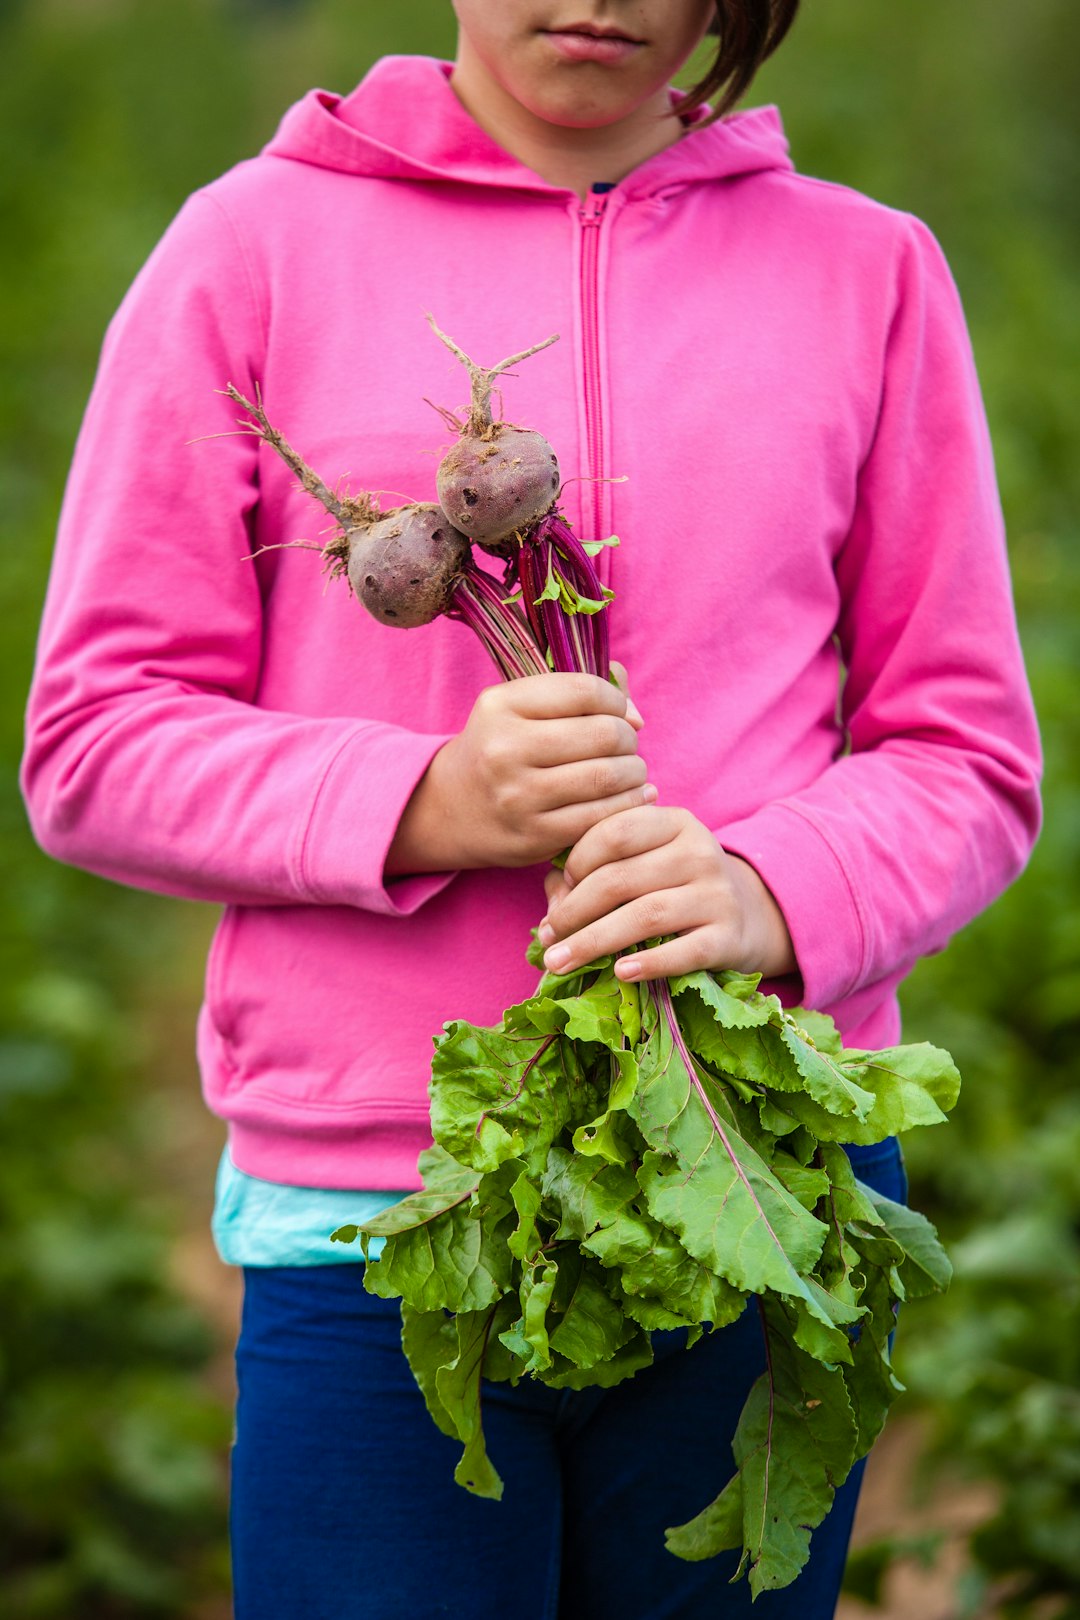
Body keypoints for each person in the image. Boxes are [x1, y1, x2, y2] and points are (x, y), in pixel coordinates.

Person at [21, 3, 1041, 1616]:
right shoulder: (255, 245)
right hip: (379, 1210)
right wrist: (427, 799)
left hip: (751, 1174)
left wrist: (774, 893)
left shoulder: (867, 272)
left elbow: (969, 752)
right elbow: (93, 740)